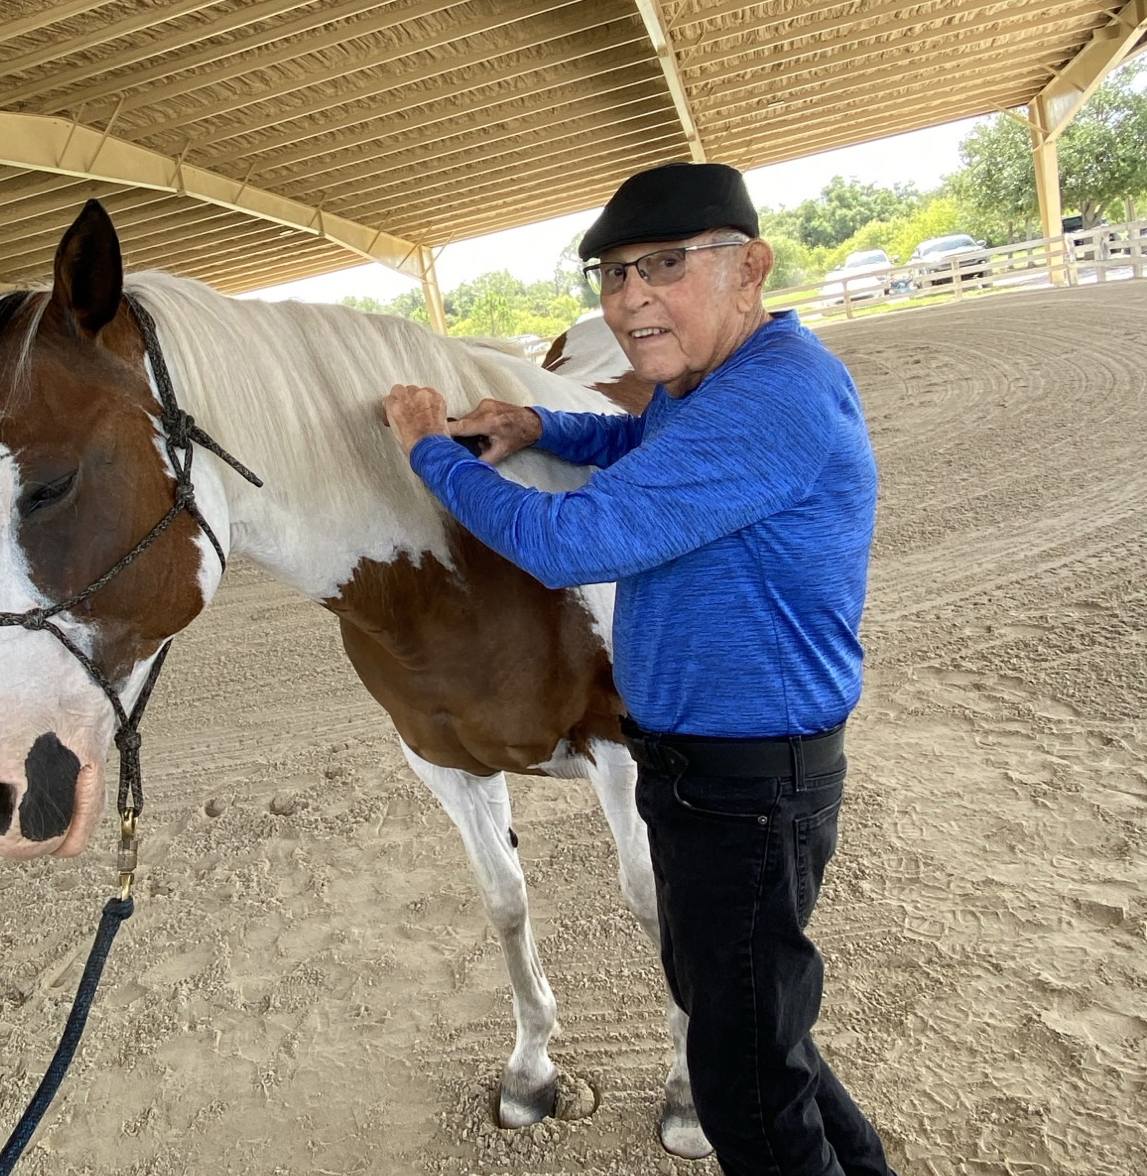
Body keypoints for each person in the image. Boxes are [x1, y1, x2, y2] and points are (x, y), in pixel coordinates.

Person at [381, 161, 895, 1176]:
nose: (630, 299)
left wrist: (427, 453)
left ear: (750, 267)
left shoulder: (771, 400)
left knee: (745, 1097)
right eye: (614, 275)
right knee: (751, 1031)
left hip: (748, 784)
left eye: (664, 265)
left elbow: (573, 543)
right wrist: (541, 424)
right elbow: (641, 438)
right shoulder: (715, 382)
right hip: (710, 771)